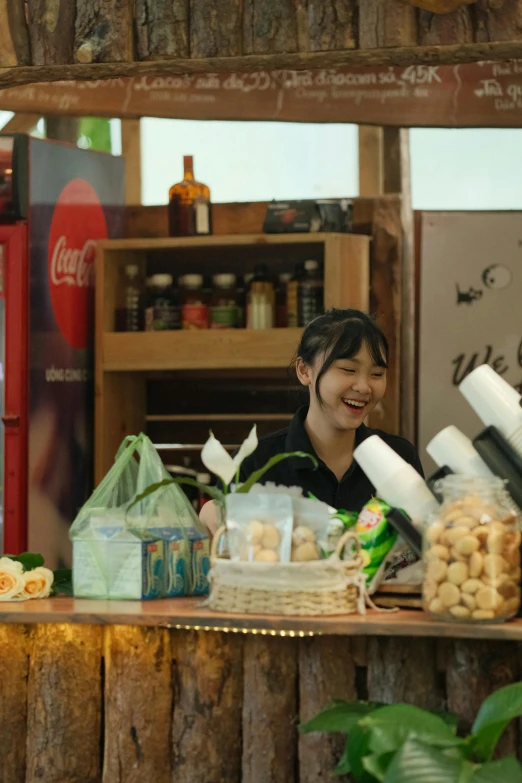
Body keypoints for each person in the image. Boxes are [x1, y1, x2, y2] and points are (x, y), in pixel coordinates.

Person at [200, 308, 423, 534]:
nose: (364, 387)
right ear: (304, 370)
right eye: (348, 369)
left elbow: (421, 549)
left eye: (376, 374)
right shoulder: (254, 463)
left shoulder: (399, 457)